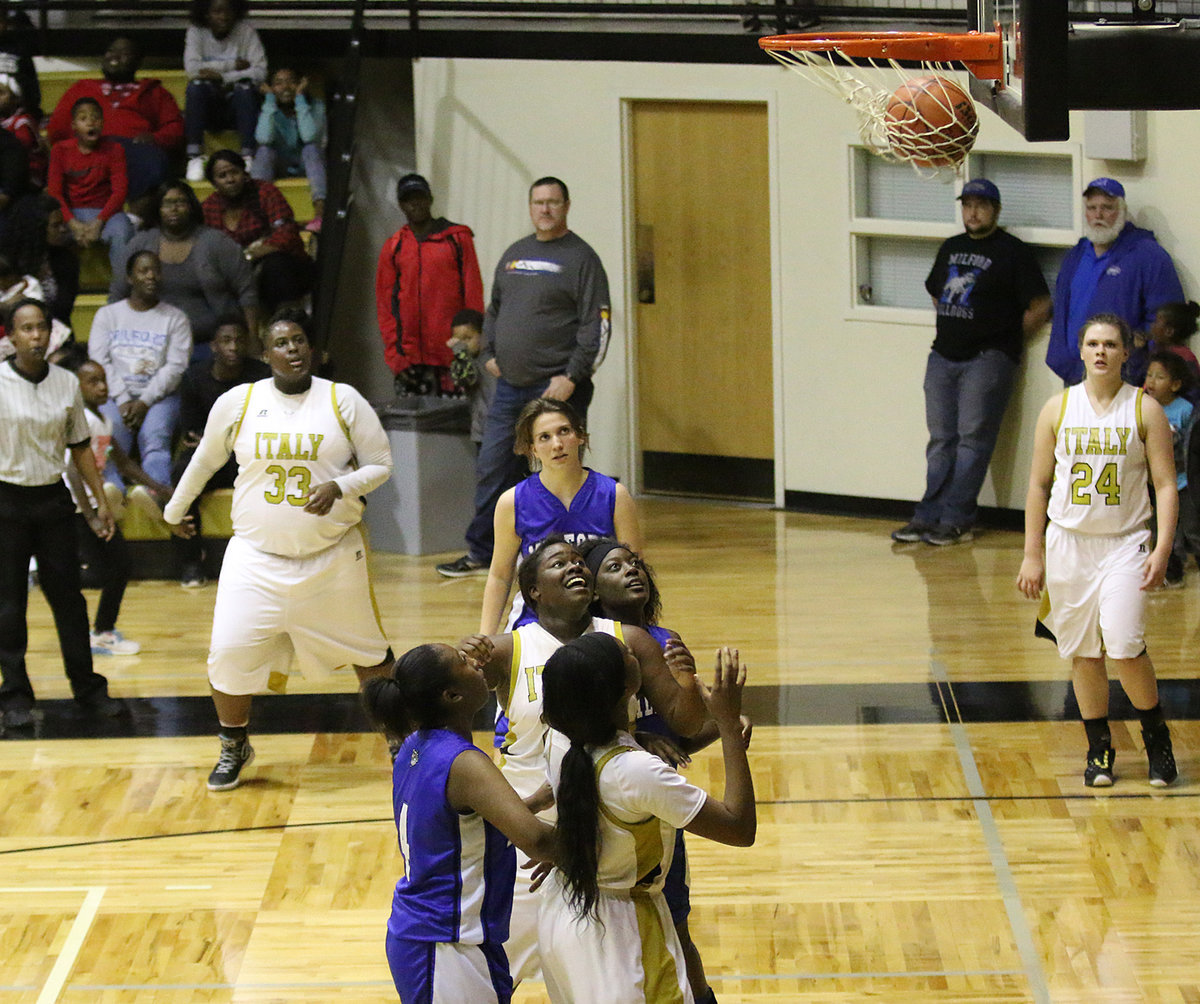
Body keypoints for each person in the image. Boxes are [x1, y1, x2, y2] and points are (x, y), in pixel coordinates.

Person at [460, 535, 707, 986]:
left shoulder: (627, 639)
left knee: (609, 969)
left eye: (579, 562)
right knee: (500, 967)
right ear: (532, 591)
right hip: (529, 832)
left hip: (610, 829)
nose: (576, 567)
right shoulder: (507, 649)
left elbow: (686, 721)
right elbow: (450, 703)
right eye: (560, 563)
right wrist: (466, 658)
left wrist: (686, 686)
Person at [162, 309, 394, 790]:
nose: (293, 349)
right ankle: (234, 743)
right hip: (255, 558)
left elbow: (381, 464)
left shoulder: (341, 399)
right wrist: (174, 508)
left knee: (370, 654)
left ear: (311, 348)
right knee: (227, 655)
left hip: (332, 555)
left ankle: (401, 743)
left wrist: (341, 485)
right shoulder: (238, 402)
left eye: (299, 341)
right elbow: (205, 457)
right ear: (264, 354)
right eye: (282, 343)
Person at [538, 634, 756, 1004]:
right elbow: (738, 827)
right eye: (624, 651)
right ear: (624, 688)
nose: (631, 646)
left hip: (564, 911)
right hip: (623, 929)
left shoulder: (560, 740)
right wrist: (727, 723)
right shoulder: (635, 771)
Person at [583, 537, 750, 1004]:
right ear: (594, 591)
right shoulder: (592, 647)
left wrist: (722, 722)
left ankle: (700, 997)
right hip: (611, 802)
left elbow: (688, 728)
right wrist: (636, 741)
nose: (633, 571)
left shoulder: (663, 639)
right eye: (616, 567)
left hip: (655, 803)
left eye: (635, 564)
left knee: (675, 913)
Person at [1017, 314, 1179, 788]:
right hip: (1068, 544)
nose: (1102, 351)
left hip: (1125, 543)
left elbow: (1167, 485)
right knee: (1085, 652)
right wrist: (1032, 554)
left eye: (1111, 344)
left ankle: (1156, 738)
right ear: (1082, 351)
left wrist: (1163, 548)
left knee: (1125, 642)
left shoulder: (1145, 410)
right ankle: (1099, 749)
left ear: (1127, 353)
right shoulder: (1057, 409)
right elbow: (1037, 485)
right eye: (1093, 343)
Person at [361, 641, 557, 1004]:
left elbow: (460, 829)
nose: (474, 661)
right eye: (462, 662)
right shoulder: (464, 763)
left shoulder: (415, 746)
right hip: (444, 943)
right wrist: (608, 845)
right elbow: (539, 842)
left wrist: (536, 801)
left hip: (442, 936)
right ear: (452, 695)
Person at [437, 177, 610, 577]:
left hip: (558, 388)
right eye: (538, 202)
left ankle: (564, 554)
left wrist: (572, 376)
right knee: (494, 467)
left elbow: (597, 326)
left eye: (552, 202)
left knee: (560, 470)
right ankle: (484, 553)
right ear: (530, 207)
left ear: (566, 206)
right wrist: (491, 352)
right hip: (510, 387)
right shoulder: (515, 255)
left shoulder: (582, 259)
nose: (545, 209)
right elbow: (494, 309)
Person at [892, 178, 1050, 546]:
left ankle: (957, 519)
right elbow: (936, 292)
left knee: (972, 439)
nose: (973, 212)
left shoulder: (1013, 252)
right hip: (943, 355)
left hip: (988, 358)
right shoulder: (952, 247)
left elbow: (1040, 305)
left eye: (981, 205)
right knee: (941, 439)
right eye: (968, 205)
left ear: (995, 210)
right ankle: (926, 516)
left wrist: (1005, 339)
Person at [0, 297, 126, 729]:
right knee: (9, 604)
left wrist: (99, 504)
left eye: (42, 328)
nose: (36, 336)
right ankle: (14, 695)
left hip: (52, 500)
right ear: (11, 336)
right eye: (26, 329)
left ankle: (88, 688)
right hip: (6, 502)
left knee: (69, 600)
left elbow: (79, 450)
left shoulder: (66, 383)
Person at [478, 396, 641, 634]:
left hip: (599, 620)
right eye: (545, 437)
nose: (557, 444)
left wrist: (639, 631)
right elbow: (500, 576)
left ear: (580, 436)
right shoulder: (512, 502)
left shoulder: (614, 495)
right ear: (532, 448)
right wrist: (486, 639)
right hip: (535, 623)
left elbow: (635, 570)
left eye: (564, 431)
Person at [66, 359, 174, 657]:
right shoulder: (80, 421)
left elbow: (123, 462)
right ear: (77, 387)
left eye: (103, 380)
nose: (102, 386)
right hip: (77, 511)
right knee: (114, 567)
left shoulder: (102, 420)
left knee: (116, 567)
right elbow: (74, 471)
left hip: (90, 508)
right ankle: (100, 633)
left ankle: (100, 631)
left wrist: (161, 487)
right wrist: (90, 515)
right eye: (93, 381)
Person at [1046, 178, 1184, 386]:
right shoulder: (1075, 255)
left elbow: (1168, 320)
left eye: (1107, 208)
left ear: (1122, 211)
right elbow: (1060, 314)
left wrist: (1138, 365)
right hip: (1074, 373)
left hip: (1124, 379)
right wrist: (1060, 359)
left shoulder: (1149, 256)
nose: (1098, 215)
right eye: (1092, 208)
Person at [171, 314, 269, 588]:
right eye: (226, 340)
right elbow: (192, 432)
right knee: (182, 473)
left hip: (249, 455)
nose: (233, 347)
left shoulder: (261, 375)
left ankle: (267, 559)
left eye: (239, 340)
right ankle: (191, 560)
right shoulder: (194, 377)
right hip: (214, 456)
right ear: (214, 346)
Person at [112, 180, 260, 354]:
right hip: (153, 344)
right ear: (157, 208)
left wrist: (252, 338)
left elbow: (247, 291)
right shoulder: (141, 243)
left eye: (180, 202)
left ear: (191, 207)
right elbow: (118, 293)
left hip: (211, 344)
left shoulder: (217, 243)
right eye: (167, 203)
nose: (174, 208)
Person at [89, 249, 193, 488]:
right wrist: (123, 398)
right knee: (108, 438)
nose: (151, 276)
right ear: (129, 278)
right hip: (114, 396)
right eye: (143, 270)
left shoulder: (176, 318)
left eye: (156, 270)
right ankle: (111, 492)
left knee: (155, 440)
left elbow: (176, 367)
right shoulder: (108, 315)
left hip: (158, 398)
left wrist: (145, 400)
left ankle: (154, 496)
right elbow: (99, 359)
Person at [375, 172, 484, 397]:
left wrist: (470, 350)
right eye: (408, 199)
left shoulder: (457, 238)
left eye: (420, 197)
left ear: (430, 199)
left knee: (455, 427)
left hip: (453, 356)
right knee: (412, 430)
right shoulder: (394, 247)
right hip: (410, 361)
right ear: (401, 205)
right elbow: (387, 305)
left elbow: (473, 295)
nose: (415, 204)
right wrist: (396, 358)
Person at [46, 35, 184, 206]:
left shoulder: (155, 92)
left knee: (154, 161)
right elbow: (57, 129)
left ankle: (136, 218)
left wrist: (154, 138)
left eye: (124, 53)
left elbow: (175, 128)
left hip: (133, 149)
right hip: (91, 148)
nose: (115, 57)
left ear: (138, 61)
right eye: (111, 51)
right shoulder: (81, 88)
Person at [201, 149, 315, 314]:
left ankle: (288, 318)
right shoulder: (209, 207)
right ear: (214, 183)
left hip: (281, 268)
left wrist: (251, 255)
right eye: (222, 176)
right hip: (235, 272)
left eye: (235, 172)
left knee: (275, 264)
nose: (230, 179)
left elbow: (287, 233)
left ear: (245, 173)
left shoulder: (265, 192)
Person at [47, 98, 136, 275]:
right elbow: (54, 193)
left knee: (123, 228)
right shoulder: (60, 150)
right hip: (71, 213)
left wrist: (99, 222)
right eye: (83, 118)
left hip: (106, 213)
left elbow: (120, 192)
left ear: (102, 123)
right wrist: (73, 224)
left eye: (95, 118)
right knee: (48, 227)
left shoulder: (114, 150)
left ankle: (121, 290)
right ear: (73, 125)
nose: (90, 122)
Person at [183, 0, 266, 180]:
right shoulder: (196, 31)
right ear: (206, 13)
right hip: (209, 108)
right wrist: (233, 65)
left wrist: (222, 77)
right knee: (196, 87)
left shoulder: (246, 31)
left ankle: (247, 156)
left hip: (237, 106)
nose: (224, 16)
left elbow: (260, 71)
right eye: (218, 11)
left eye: (228, 10)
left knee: (245, 87)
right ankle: (195, 156)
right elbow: (192, 70)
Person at [1143, 350, 1200, 586]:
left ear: (1175, 384)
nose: (1152, 382)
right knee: (1161, 531)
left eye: (1159, 377)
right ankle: (1171, 574)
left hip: (1183, 483)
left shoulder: (1185, 410)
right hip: (1154, 484)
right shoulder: (1143, 408)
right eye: (1149, 375)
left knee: (1192, 530)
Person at [250, 66, 325, 230]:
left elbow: (310, 137)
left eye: (291, 82)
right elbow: (263, 138)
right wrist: (269, 101)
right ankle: (256, 215)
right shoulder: (267, 108)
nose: (285, 88)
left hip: (307, 163)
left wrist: (300, 100)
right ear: (270, 87)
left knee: (310, 149)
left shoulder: (316, 106)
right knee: (264, 151)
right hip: (279, 164)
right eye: (278, 83)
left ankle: (320, 214)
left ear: (300, 84)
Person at [447, 307, 494, 448]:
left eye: (467, 338)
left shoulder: (492, 360)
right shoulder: (461, 364)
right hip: (482, 432)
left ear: (482, 335)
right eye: (458, 340)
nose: (462, 345)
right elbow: (466, 376)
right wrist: (460, 354)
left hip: (504, 429)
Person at [0, 71, 43, 187]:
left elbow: (20, 149)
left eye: (1, 93)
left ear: (15, 98)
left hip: (29, 174)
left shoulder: (21, 122)